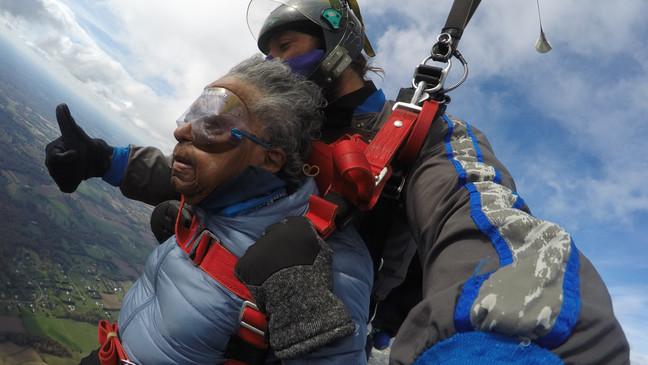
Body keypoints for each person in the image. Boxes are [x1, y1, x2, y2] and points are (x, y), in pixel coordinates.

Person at [46, 0, 630, 364]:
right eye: (266, 52)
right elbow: (217, 170)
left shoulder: (421, 138)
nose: (274, 63)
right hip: (234, 307)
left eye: (286, 46)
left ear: (335, 47)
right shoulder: (281, 129)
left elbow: (484, 224)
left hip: (348, 327)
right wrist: (107, 160)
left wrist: (511, 345)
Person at [68, 56, 373, 364]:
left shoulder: (324, 264)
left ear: (270, 158)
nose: (182, 132)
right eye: (192, 116)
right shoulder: (217, 202)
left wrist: (308, 316)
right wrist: (105, 160)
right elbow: (165, 175)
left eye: (212, 125)